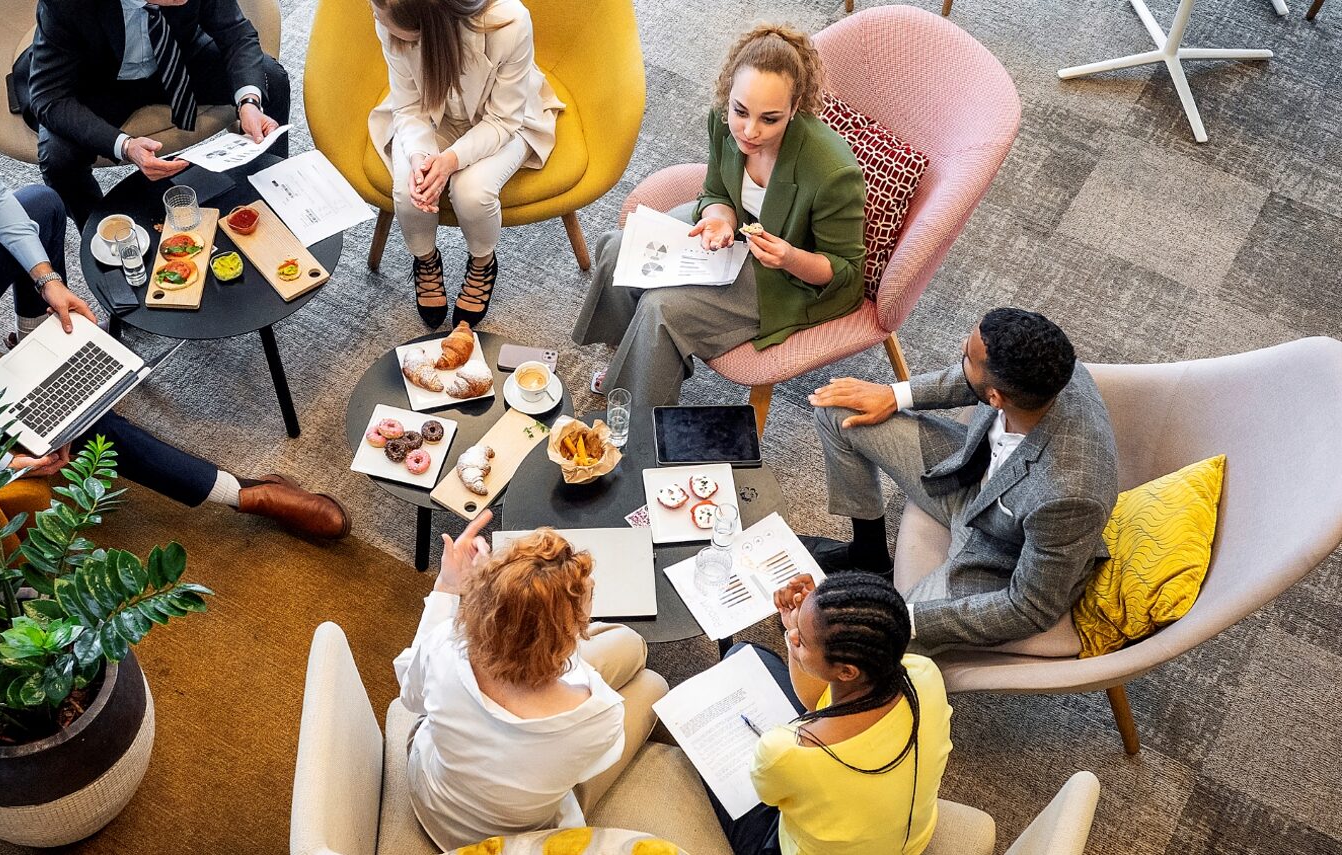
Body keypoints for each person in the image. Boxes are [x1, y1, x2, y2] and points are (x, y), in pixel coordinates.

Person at [0, 90, 348, 542]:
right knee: (85, 415)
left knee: (39, 203)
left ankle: (32, 344)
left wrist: (48, 281)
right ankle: (247, 494)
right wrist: (4, 459)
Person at [573, 24, 865, 408]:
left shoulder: (833, 172)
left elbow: (847, 275)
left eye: (770, 119)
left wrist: (790, 257)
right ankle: (633, 362)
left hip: (787, 275)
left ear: (795, 109)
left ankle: (637, 412)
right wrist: (720, 218)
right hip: (738, 233)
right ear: (729, 95)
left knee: (662, 309)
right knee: (616, 247)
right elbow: (716, 190)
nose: (749, 130)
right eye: (740, 110)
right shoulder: (722, 119)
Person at [810, 308, 1119, 652]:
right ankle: (868, 555)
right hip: (967, 476)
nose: (961, 349)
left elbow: (1030, 608)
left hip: (998, 554)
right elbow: (971, 380)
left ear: (996, 398)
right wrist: (895, 395)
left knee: (865, 643)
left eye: (968, 358)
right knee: (837, 411)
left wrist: (898, 618)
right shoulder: (1046, 367)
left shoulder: (1070, 496)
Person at [393, 511, 666, 849]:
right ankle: (634, 652)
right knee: (653, 681)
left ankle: (611, 645)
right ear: (568, 637)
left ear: (482, 604)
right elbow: (585, 768)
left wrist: (449, 587)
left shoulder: (444, 647)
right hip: (515, 840)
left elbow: (411, 696)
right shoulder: (600, 716)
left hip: (433, 799)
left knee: (628, 648)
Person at [711, 572, 952, 855]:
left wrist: (810, 627)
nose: (791, 636)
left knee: (711, 745)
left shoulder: (788, 751)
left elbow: (769, 795)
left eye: (802, 640)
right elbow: (819, 703)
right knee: (743, 652)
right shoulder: (923, 673)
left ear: (847, 671)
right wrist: (814, 618)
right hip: (910, 840)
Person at [369, 0, 565, 328]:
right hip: (432, 117)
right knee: (409, 188)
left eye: (380, 13)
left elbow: (503, 120)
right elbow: (408, 107)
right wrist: (421, 156)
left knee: (472, 193)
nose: (374, 15)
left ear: (426, 23)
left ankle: (483, 261)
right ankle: (425, 259)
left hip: (503, 121)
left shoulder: (511, 22)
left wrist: (450, 161)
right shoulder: (389, 21)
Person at [12, 0, 290, 228]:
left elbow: (237, 35)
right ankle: (101, 234)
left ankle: (270, 187)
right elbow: (49, 97)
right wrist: (126, 146)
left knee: (270, 79)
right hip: (97, 79)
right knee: (58, 158)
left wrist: (249, 103)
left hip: (178, 56)